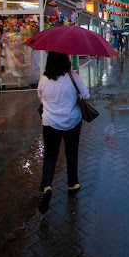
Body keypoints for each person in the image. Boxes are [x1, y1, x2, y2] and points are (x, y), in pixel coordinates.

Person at [37, 51, 90, 214]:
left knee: (50, 155)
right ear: (65, 60)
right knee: (71, 153)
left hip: (50, 123)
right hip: (72, 122)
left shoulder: (44, 79)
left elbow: (40, 98)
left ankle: (46, 186)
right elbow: (86, 95)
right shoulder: (73, 76)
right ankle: (72, 184)